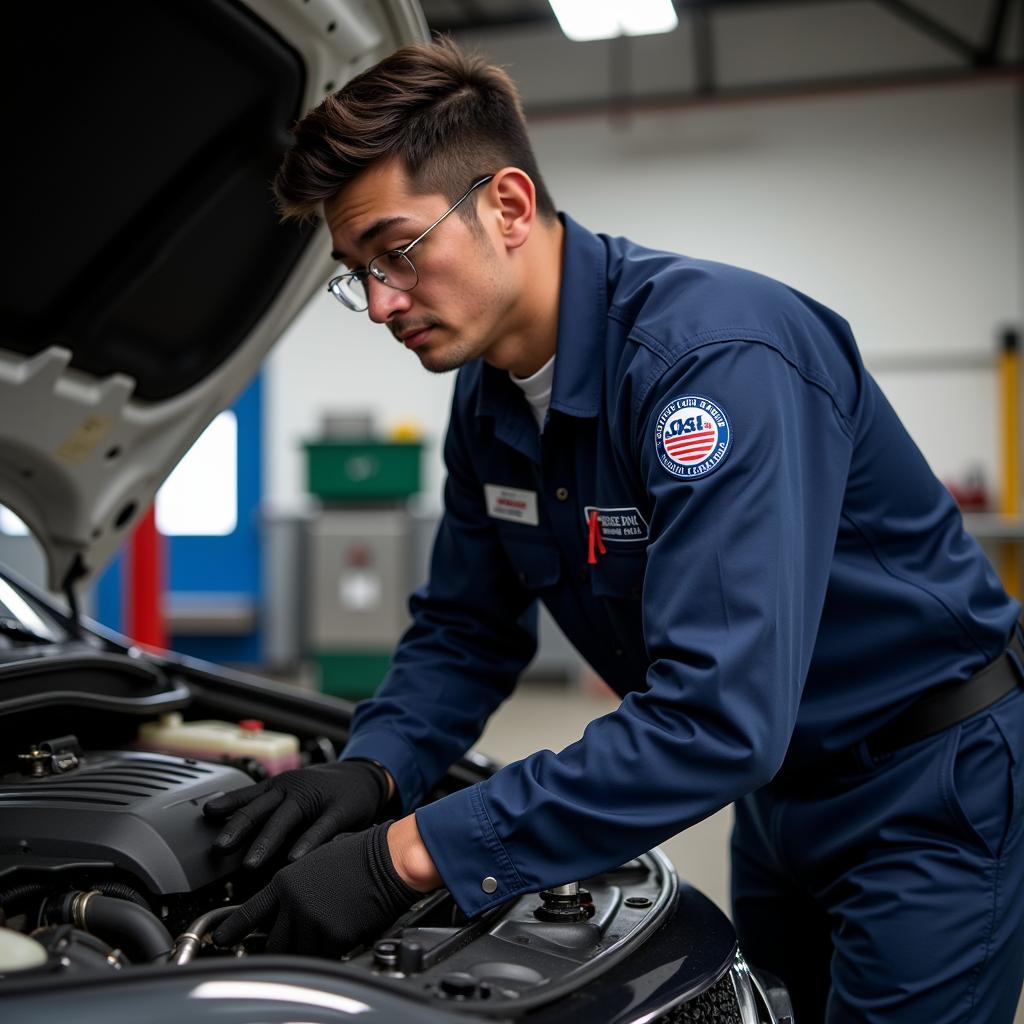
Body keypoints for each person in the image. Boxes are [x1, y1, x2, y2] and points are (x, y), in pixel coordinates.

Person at [203, 38, 1024, 1023]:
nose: (382, 302)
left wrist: (405, 856)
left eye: (399, 251)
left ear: (507, 206)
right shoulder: (491, 401)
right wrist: (372, 770)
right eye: (357, 274)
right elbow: (466, 629)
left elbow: (714, 715)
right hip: (778, 791)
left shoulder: (712, 363)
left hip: (927, 786)